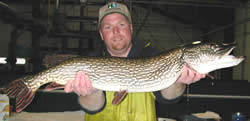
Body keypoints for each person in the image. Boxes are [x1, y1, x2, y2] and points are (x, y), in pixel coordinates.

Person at [64, 2, 205, 121]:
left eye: (121, 24)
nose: (116, 31)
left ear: (131, 28)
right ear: (101, 34)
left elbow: (168, 97)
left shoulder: (152, 56)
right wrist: (91, 93)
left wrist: (179, 81)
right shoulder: (90, 59)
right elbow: (92, 109)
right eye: (108, 27)